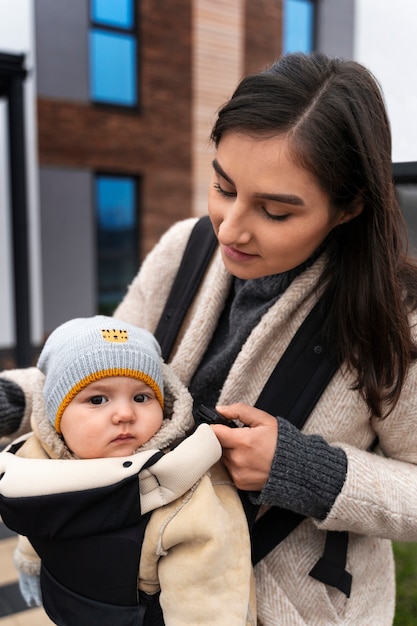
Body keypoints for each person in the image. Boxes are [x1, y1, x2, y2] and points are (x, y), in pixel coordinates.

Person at [1, 51, 417, 624]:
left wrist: (306, 471)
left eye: (274, 211)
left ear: (349, 208)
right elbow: (104, 365)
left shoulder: (399, 320)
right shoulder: (184, 249)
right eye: (223, 187)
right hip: (136, 591)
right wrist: (16, 401)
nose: (232, 226)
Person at [0, 316, 255, 626]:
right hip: (68, 606)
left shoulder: (183, 486)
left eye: (141, 397)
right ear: (57, 414)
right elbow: (42, 517)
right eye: (97, 399)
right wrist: (30, 562)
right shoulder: (35, 460)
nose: (124, 414)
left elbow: (206, 594)